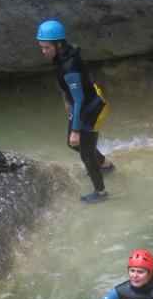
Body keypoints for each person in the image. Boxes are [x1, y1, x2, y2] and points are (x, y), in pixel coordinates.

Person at [36, 19, 114, 204]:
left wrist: (76, 131)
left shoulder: (70, 65)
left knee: (85, 153)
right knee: (73, 144)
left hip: (92, 108)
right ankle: (104, 164)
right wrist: (65, 99)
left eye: (47, 47)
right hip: (81, 105)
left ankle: (100, 192)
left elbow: (79, 99)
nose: (43, 51)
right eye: (42, 47)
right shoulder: (60, 56)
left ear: (58, 43)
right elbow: (65, 85)